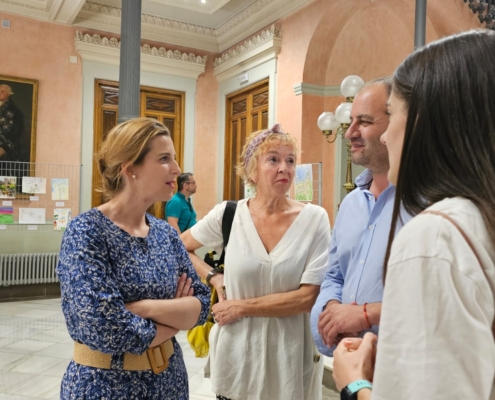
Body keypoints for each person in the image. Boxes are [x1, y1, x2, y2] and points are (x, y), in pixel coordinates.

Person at [333, 29, 495, 400]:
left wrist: (355, 384)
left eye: (392, 114)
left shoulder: (435, 237)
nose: (387, 137)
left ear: (426, 123)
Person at [56, 118, 210, 399]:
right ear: (131, 169)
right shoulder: (87, 231)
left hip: (170, 382)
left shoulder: (165, 233)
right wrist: (176, 316)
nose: (176, 169)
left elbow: (201, 305)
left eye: (173, 159)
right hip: (105, 386)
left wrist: (140, 308)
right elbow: (106, 329)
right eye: (164, 158)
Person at [181, 124, 332, 400]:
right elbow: (180, 248)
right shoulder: (228, 215)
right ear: (252, 171)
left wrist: (241, 307)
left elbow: (308, 297)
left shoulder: (315, 219)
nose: (284, 168)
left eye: (290, 161)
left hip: (290, 362)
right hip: (237, 361)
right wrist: (213, 275)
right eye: (273, 159)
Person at [311, 78, 409, 356]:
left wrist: (365, 316)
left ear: (397, 123)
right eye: (350, 121)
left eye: (363, 121)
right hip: (351, 360)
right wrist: (333, 311)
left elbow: (439, 297)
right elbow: (334, 275)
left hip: (401, 367)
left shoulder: (424, 203)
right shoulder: (352, 203)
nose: (349, 132)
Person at [0, 84, 24, 162]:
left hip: (6, 148)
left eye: (2, 91)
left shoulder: (14, 110)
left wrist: (4, 148)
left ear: (8, 94)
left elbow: (17, 131)